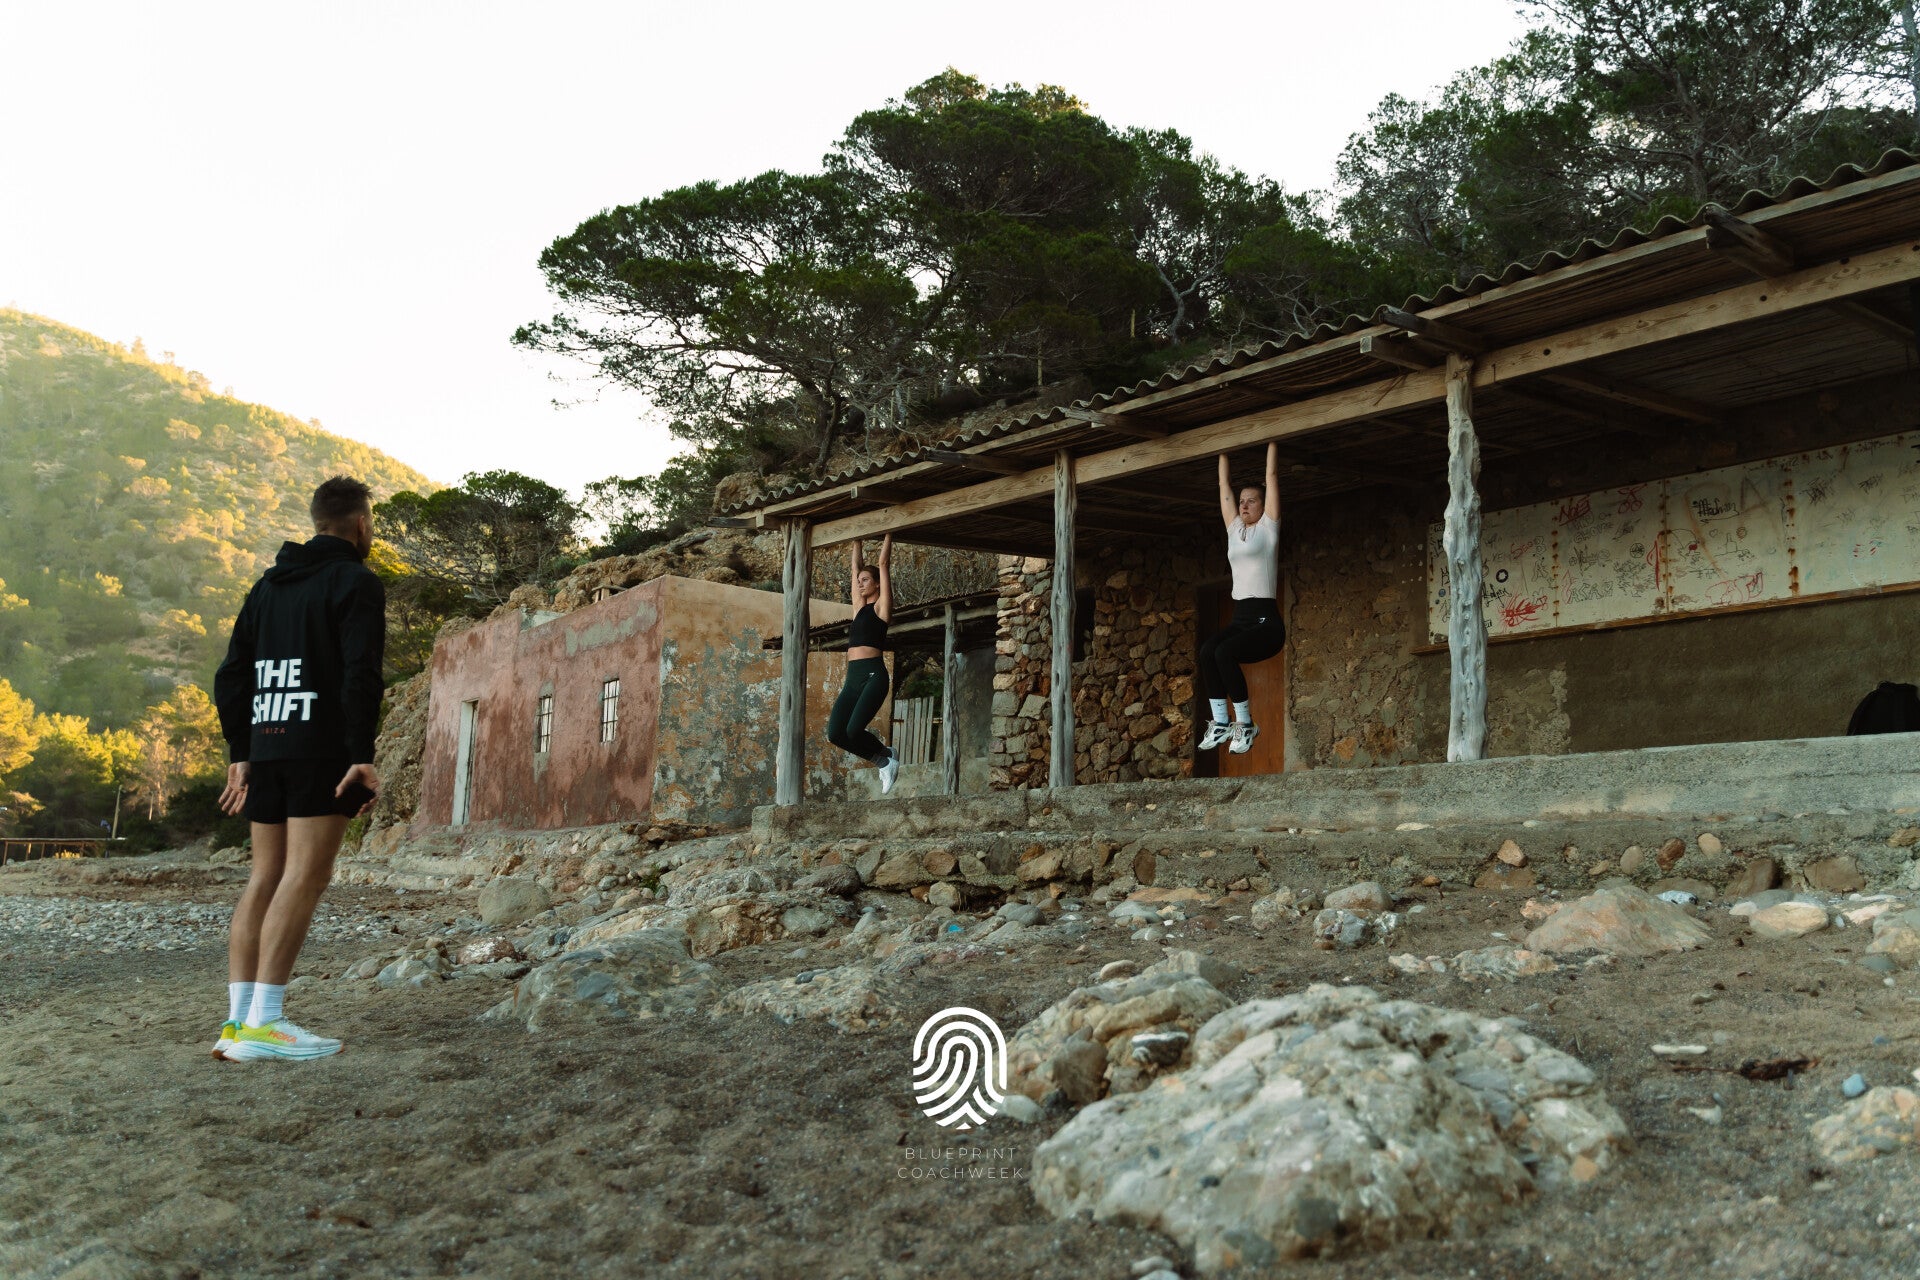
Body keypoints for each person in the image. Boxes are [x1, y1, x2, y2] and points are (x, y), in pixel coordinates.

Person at [210, 476, 385, 1061]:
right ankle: (265, 1023)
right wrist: (361, 753)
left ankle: (237, 1025)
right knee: (305, 875)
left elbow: (232, 674)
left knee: (265, 876)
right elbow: (360, 672)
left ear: (317, 522)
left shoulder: (267, 586)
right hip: (320, 749)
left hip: (267, 744)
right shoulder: (356, 581)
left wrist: (241, 750)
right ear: (361, 524)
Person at [1198, 442, 1285, 755]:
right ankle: (1221, 721)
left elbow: (1271, 475)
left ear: (1263, 506)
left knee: (1225, 652)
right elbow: (1224, 485)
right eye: (1242, 501)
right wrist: (1222, 448)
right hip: (1241, 618)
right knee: (1208, 651)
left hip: (1266, 623)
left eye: (1252, 501)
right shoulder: (1234, 530)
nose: (1244, 506)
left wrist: (1271, 440)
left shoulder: (1268, 529)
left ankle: (1245, 724)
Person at [827, 533, 900, 794]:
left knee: (854, 730)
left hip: (873, 675)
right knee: (836, 733)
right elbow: (854, 568)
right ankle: (885, 756)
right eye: (859, 582)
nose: (860, 584)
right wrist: (856, 540)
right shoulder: (858, 608)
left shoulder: (881, 608)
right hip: (853, 678)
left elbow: (883, 564)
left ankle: (885, 762)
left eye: (865, 580)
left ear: (877, 584)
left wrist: (889, 534)